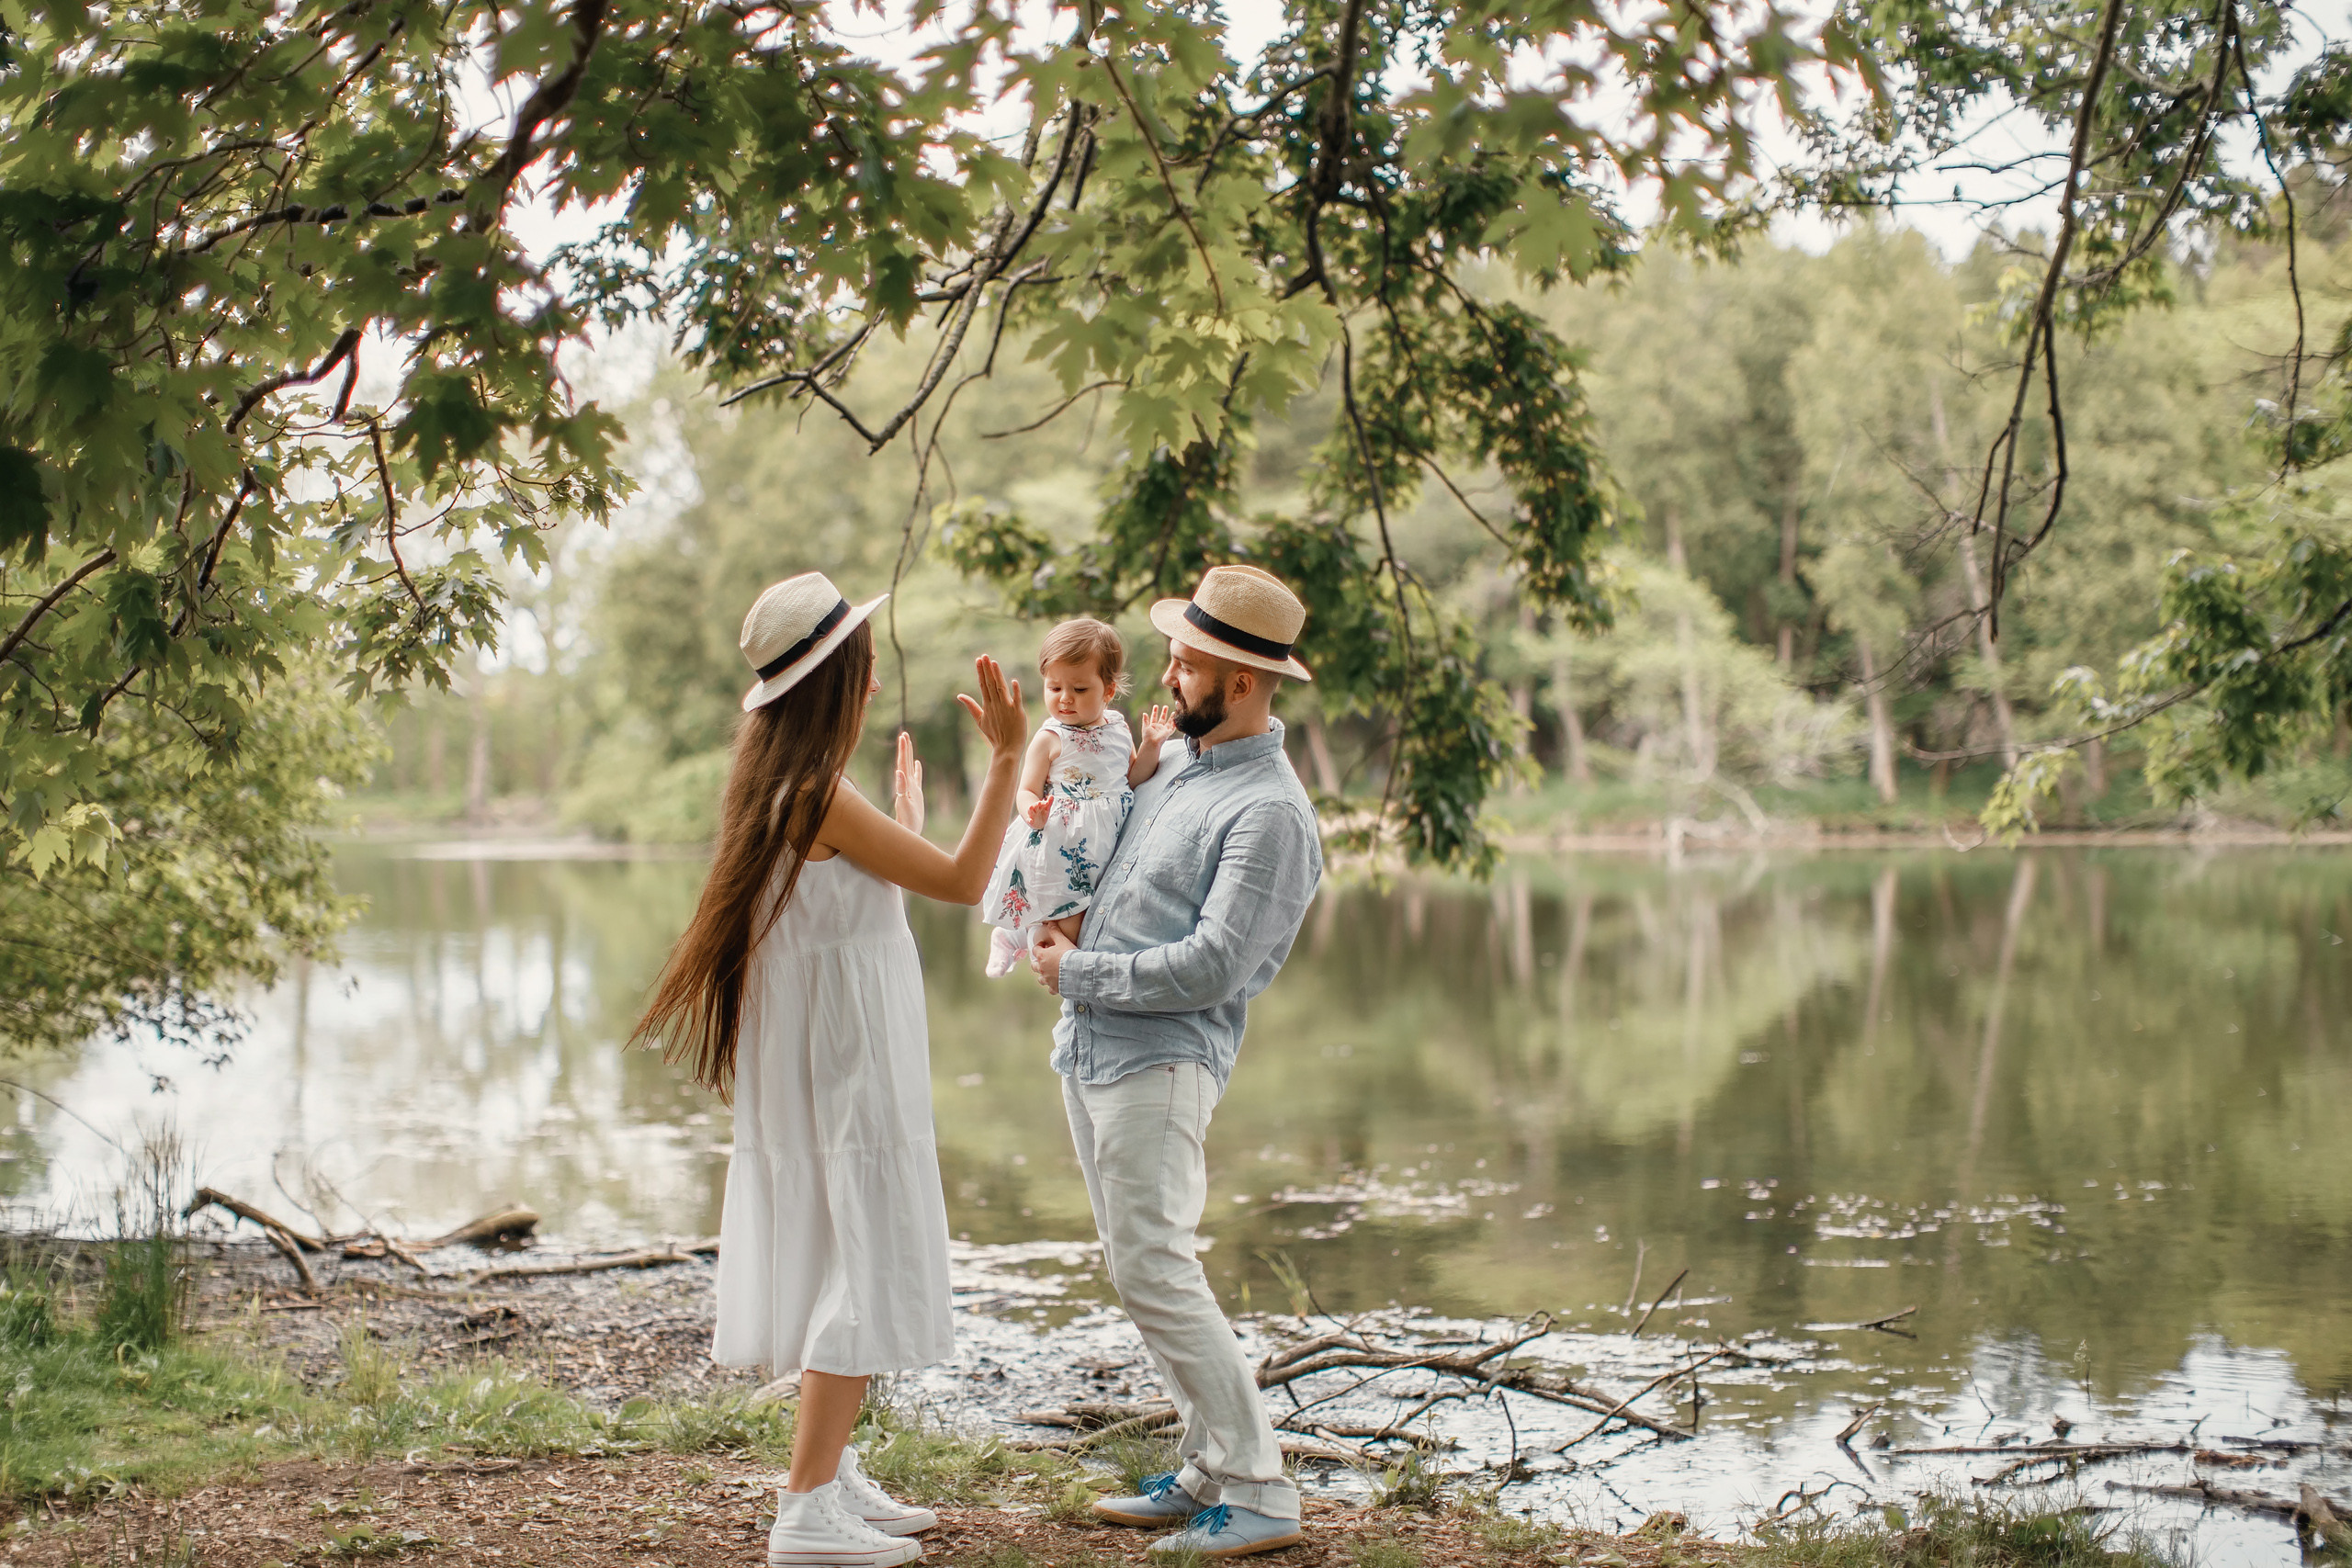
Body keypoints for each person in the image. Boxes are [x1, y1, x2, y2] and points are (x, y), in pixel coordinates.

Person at [628, 570, 1027, 1568]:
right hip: (848, 1059)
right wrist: (1009, 763)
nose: (876, 680)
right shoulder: (814, 795)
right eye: (864, 665)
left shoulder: (794, 789)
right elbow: (964, 882)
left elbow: (866, 894)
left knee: (838, 1243)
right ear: (835, 682)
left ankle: (829, 1472)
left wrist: (898, 814)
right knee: (859, 1248)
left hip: (832, 1049)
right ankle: (805, 1512)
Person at [1028, 564, 1324, 1560]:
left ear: (1239, 682)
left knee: (1156, 1264)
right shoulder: (1182, 768)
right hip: (1094, 1046)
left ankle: (1259, 1491)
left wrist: (1079, 971)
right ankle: (1205, 1466)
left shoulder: (1270, 814)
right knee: (1134, 1264)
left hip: (1160, 1059)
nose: (1167, 673)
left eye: (1185, 663)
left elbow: (1211, 967)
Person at [979, 617, 1176, 977]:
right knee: (1069, 923)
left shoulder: (1117, 728)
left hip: (1106, 839)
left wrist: (1151, 745)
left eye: (1080, 689)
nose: (1065, 698)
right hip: (1063, 840)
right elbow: (1026, 790)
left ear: (1109, 690)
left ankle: (1027, 939)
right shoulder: (1049, 738)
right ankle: (1015, 937)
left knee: (1094, 917)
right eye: (1054, 687)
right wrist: (1031, 813)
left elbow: (1132, 779)